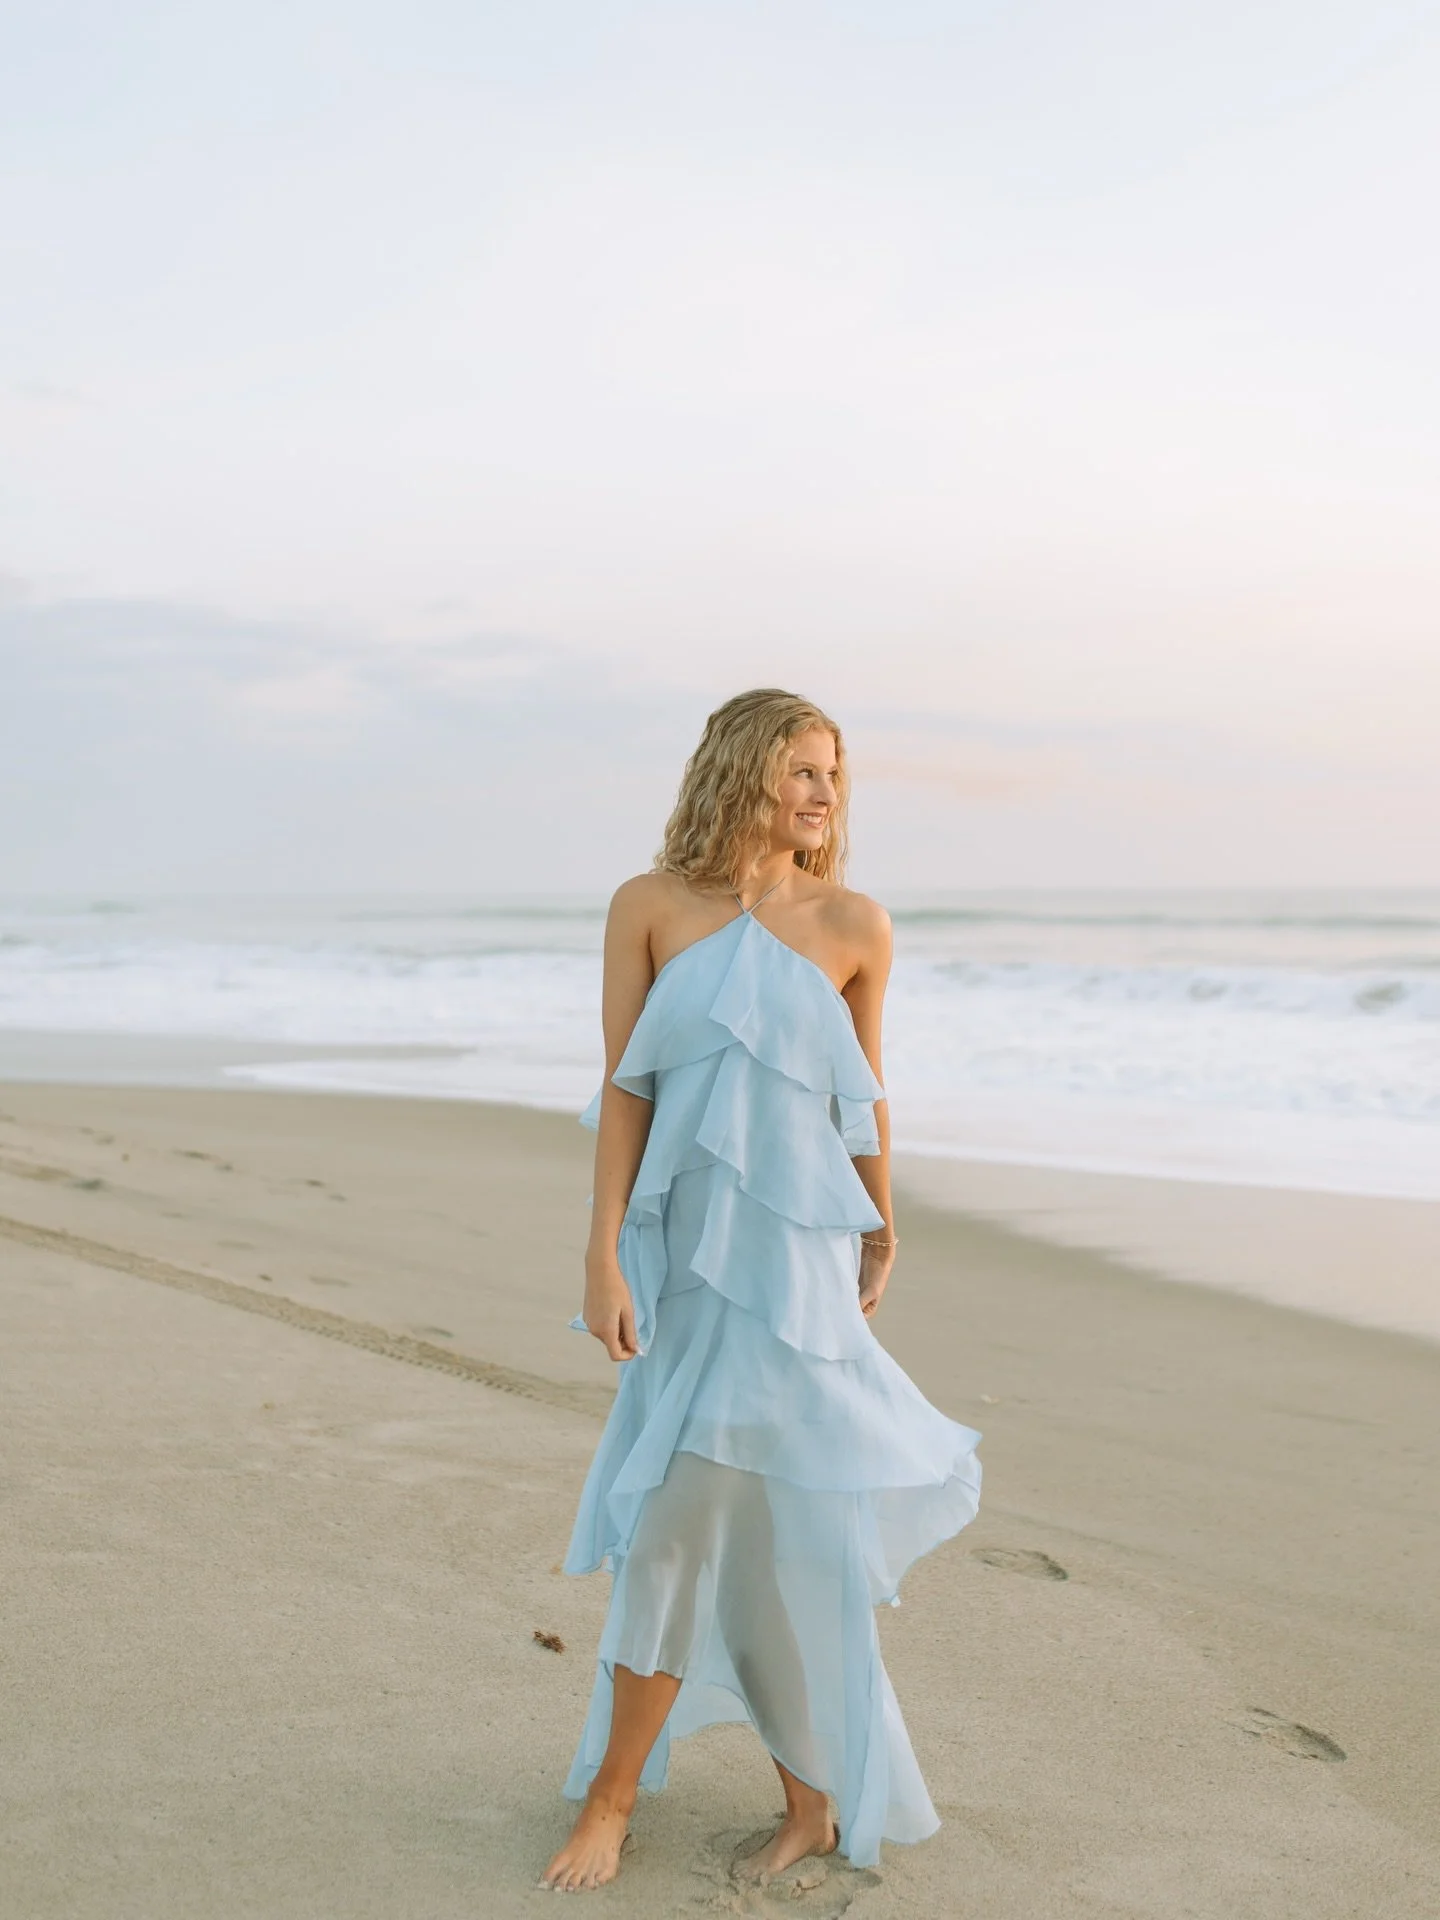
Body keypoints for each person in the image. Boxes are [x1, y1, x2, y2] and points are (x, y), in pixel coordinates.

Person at [539, 688, 982, 1894]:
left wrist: (883, 1223)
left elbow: (864, 1093)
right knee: (692, 1519)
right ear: (740, 770)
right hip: (684, 1259)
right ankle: (691, 1795)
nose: (825, 792)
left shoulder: (855, 923)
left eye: (834, 772)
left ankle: (720, 1800)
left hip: (796, 1266)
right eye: (801, 768)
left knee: (771, 1522)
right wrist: (602, 1257)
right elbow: (625, 1090)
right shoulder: (651, 908)